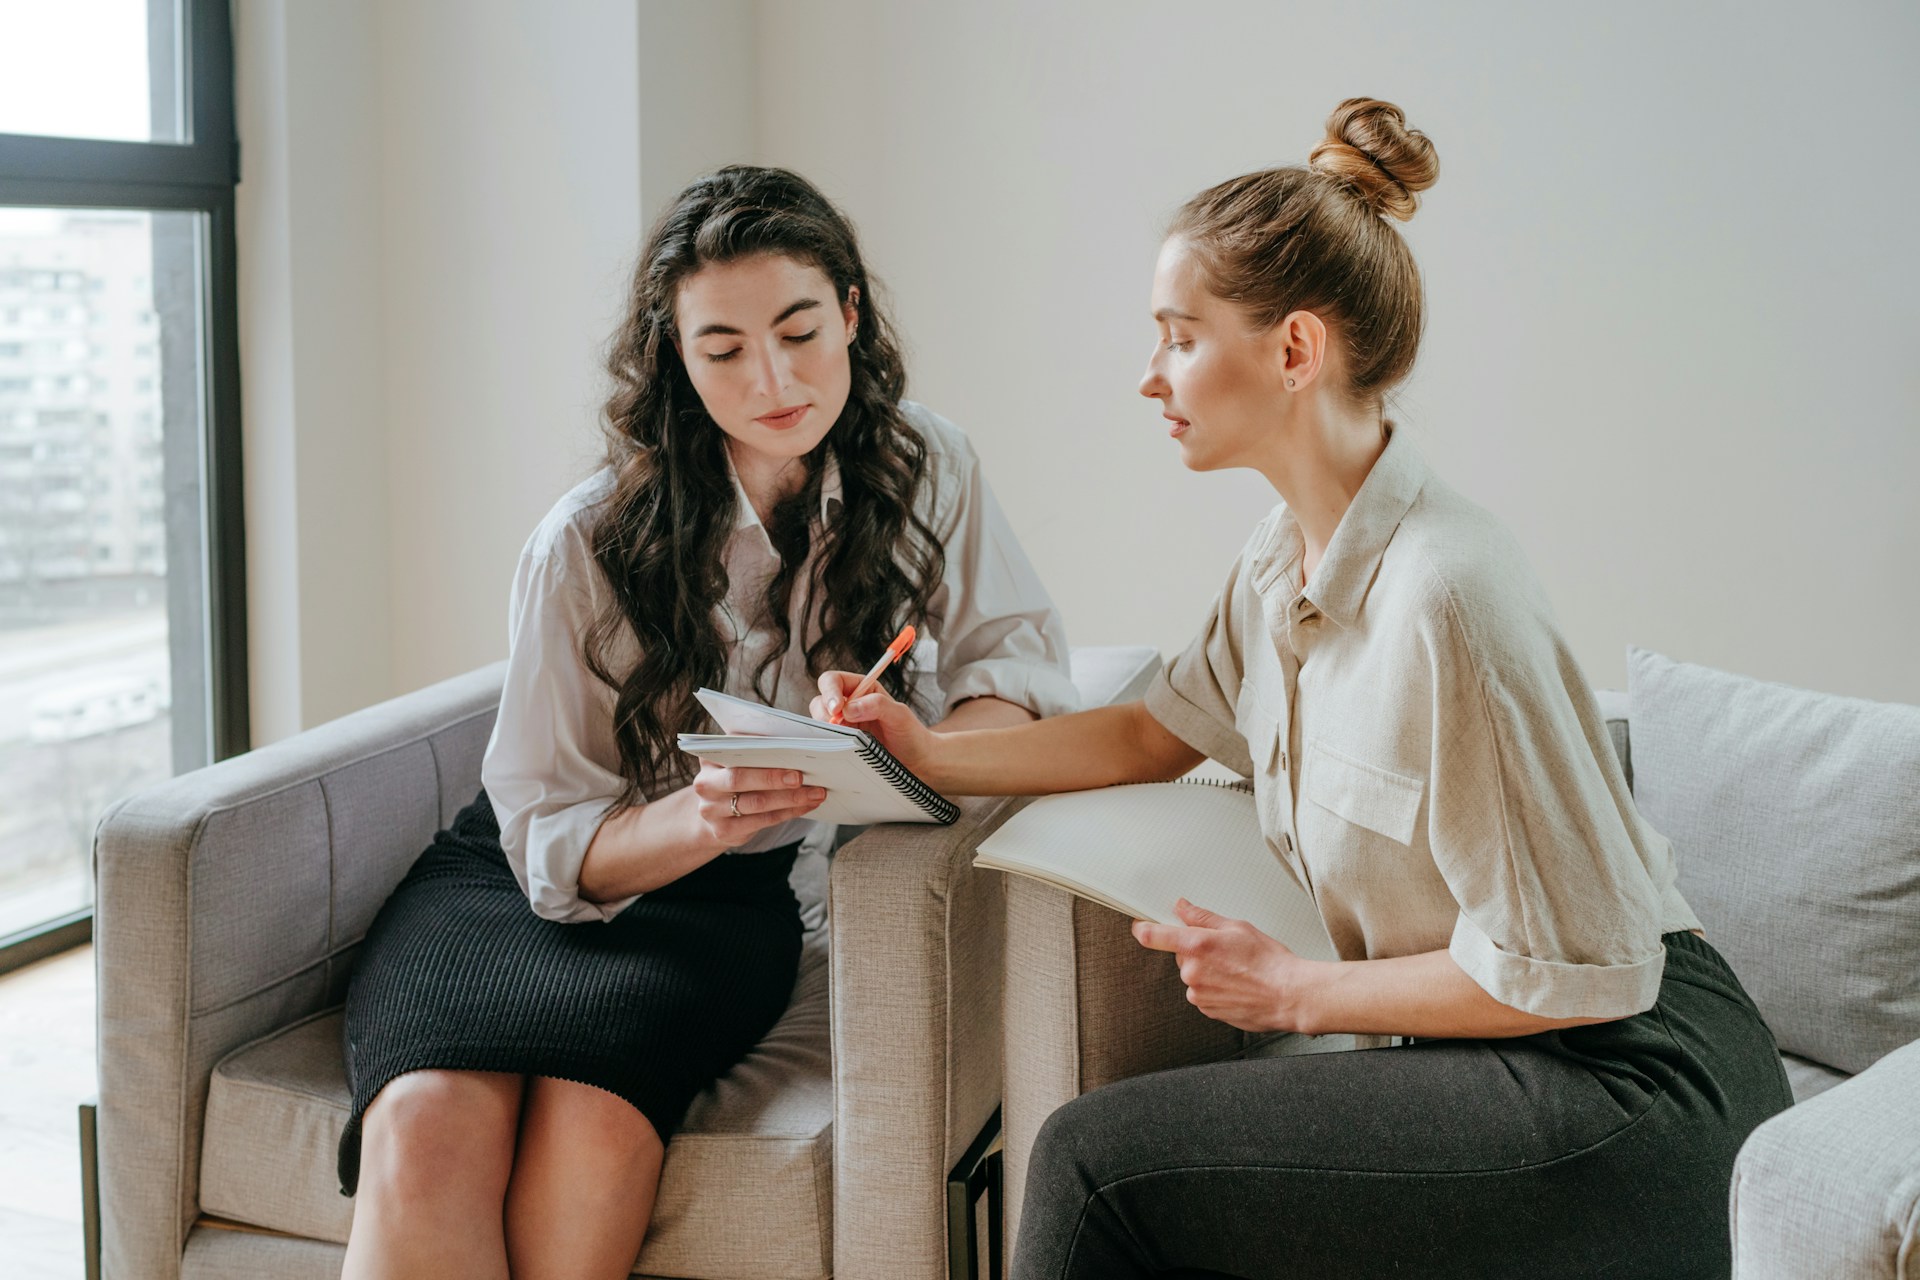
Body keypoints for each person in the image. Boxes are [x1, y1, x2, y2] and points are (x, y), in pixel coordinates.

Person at [808, 99, 1795, 1279]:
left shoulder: (1448, 595)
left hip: (1634, 1088)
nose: (1148, 375)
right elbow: (1148, 729)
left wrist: (1297, 989)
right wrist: (922, 750)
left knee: (1091, 1162)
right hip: (1520, 1060)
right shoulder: (1284, 560)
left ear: (1293, 350)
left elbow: (1570, 969)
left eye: (1178, 335)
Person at [336, 165, 1079, 1280]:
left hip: (721, 910)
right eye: (722, 349)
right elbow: (545, 834)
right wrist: (699, 813)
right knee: (426, 1119)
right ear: (677, 360)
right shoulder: (585, 541)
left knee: (592, 1124)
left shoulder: (931, 465)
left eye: (799, 330)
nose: (772, 379)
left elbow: (1014, 664)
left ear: (852, 314)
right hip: (511, 879)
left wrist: (916, 736)